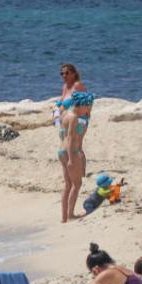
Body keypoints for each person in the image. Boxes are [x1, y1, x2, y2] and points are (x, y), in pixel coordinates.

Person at [56, 63, 94, 223]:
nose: (64, 76)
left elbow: (64, 134)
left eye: (66, 73)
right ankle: (70, 215)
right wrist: (73, 158)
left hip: (61, 151)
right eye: (62, 73)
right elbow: (72, 138)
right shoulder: (73, 118)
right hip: (70, 152)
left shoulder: (66, 116)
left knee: (67, 185)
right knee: (76, 185)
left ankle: (64, 218)